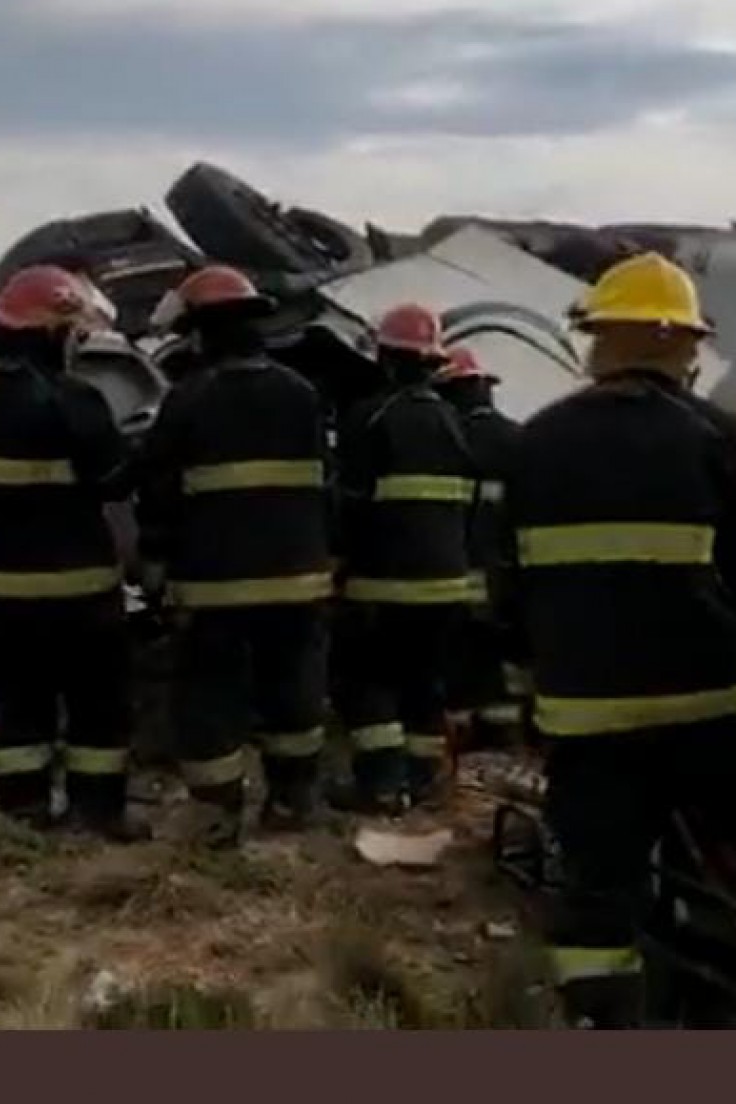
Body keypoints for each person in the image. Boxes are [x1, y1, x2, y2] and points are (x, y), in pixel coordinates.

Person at [498, 253, 736, 1028]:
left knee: (596, 877)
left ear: (598, 342)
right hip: (719, 708)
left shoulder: (532, 444)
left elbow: (505, 586)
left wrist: (533, 690)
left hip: (588, 719)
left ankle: (602, 1015)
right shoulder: (715, 435)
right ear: (679, 346)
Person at [0, 265, 143, 840]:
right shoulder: (79, 399)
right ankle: (96, 813)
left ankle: (23, 811)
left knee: (18, 701)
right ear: (54, 334)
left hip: (0, 586)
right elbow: (113, 481)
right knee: (97, 706)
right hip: (82, 589)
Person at [137, 266, 335, 844]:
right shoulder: (302, 394)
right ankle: (294, 803)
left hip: (214, 585)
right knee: (294, 688)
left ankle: (217, 816)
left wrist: (153, 560)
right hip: (299, 580)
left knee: (210, 695)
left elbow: (159, 491)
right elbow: (327, 485)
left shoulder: (188, 399)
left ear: (201, 331)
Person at [331, 303, 479, 814]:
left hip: (383, 581)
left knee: (366, 677)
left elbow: (348, 501)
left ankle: (380, 784)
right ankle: (420, 781)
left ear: (385, 358)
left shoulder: (368, 415)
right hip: (447, 583)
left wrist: (335, 563)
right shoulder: (451, 419)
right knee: (423, 680)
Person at [434, 346, 526, 751]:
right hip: (507, 569)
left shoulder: (450, 437)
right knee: (499, 648)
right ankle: (503, 727)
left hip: (458, 563)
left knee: (460, 647)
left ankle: (460, 726)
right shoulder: (517, 437)